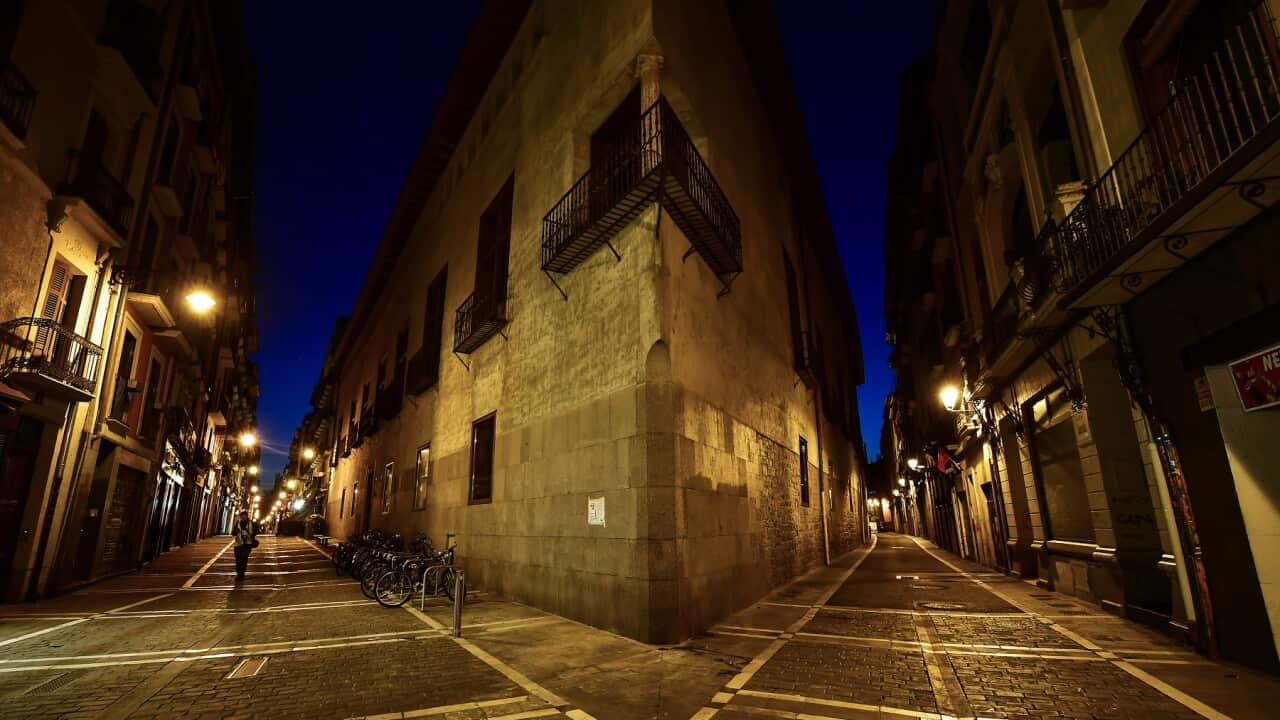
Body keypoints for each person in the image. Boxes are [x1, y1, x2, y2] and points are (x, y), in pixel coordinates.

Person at [232, 510, 257, 582]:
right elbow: (233, 533)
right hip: (238, 544)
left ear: (246, 516)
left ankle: (241, 574)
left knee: (244, 559)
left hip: (247, 545)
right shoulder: (237, 524)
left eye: (244, 516)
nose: (243, 518)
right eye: (241, 516)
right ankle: (239, 573)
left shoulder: (252, 523)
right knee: (238, 560)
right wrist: (235, 532)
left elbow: (256, 531)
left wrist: (251, 535)